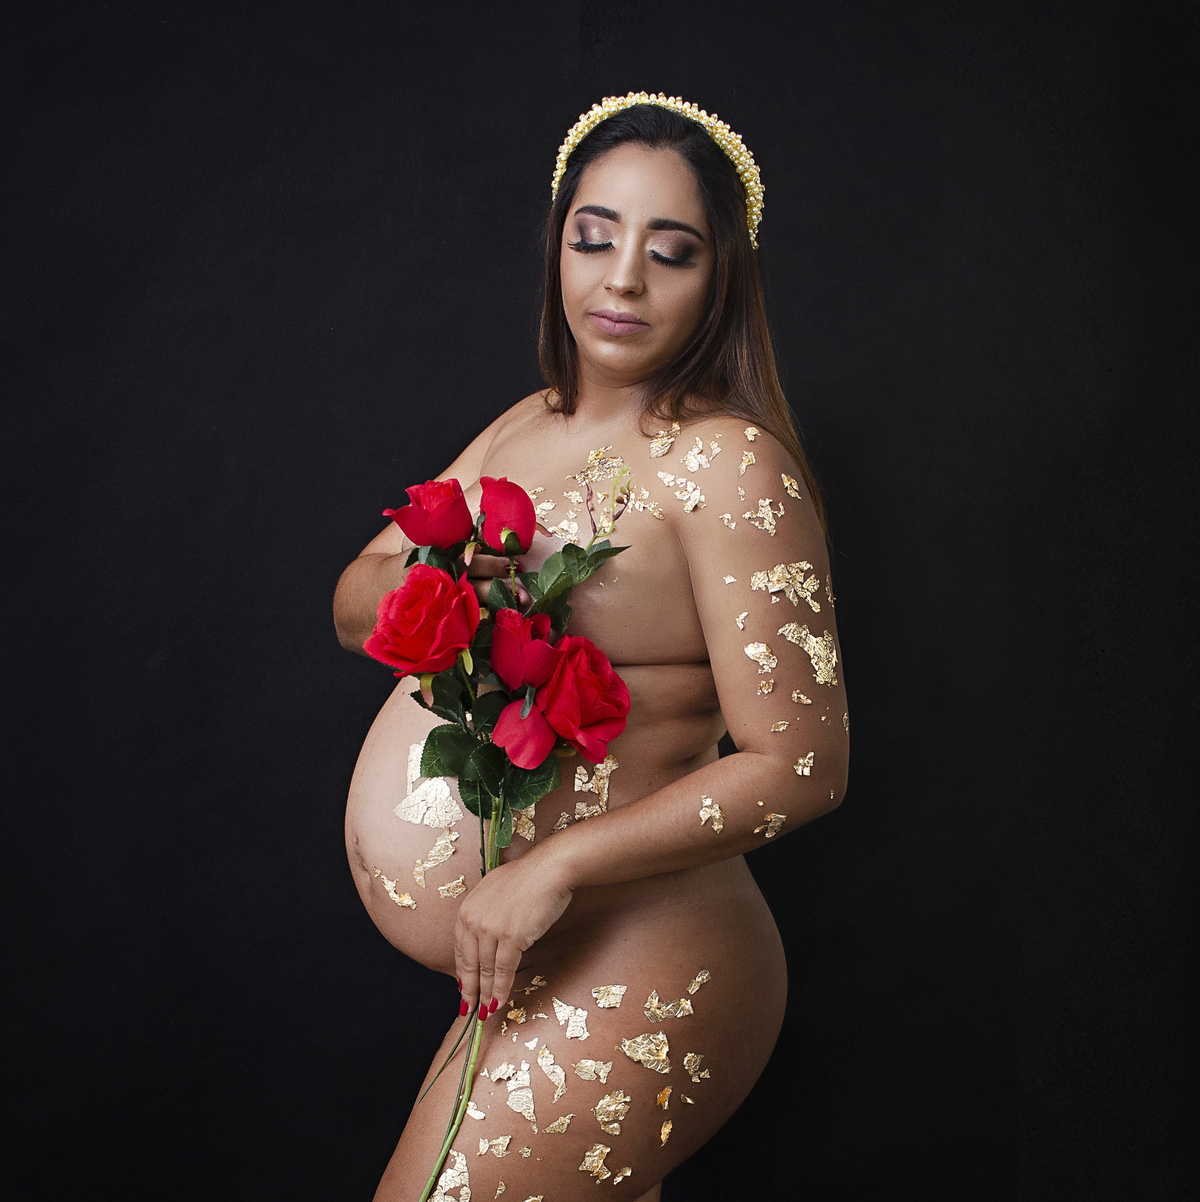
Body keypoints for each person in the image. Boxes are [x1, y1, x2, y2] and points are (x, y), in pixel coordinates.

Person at [333, 93, 849, 1202]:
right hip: (527, 961)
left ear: (721, 277)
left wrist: (552, 867)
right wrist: (448, 578)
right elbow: (352, 602)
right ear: (557, 245)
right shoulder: (530, 421)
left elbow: (802, 765)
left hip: (643, 949)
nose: (622, 281)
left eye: (670, 252)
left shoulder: (726, 464)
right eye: (594, 238)